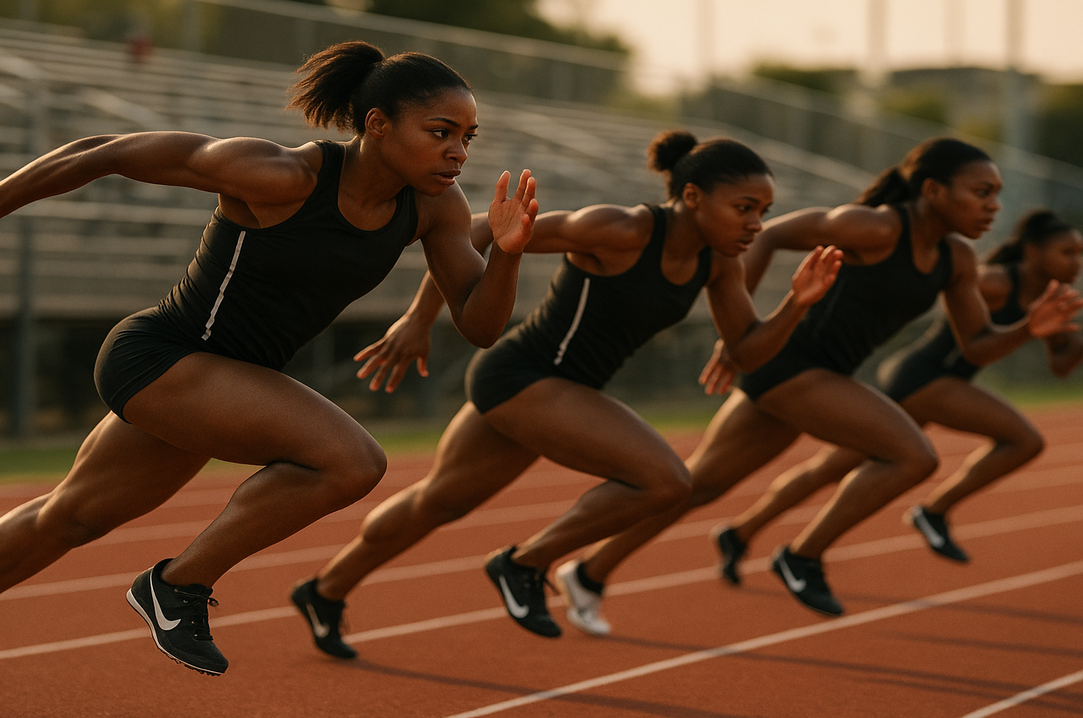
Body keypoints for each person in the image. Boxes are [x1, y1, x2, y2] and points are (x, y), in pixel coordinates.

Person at [0, 41, 539, 713]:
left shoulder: (435, 209)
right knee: (351, 461)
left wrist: (509, 255)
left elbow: (481, 325)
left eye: (467, 137)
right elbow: (107, 149)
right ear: (376, 125)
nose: (459, 151)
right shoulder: (280, 176)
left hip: (225, 385)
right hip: (164, 357)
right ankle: (179, 585)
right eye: (441, 133)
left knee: (70, 517)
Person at [288, 129, 843, 658]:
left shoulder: (718, 266)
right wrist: (419, 318)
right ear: (692, 197)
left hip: (560, 392)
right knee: (667, 480)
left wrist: (797, 304)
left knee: (441, 500)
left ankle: (325, 589)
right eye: (745, 207)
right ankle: (525, 563)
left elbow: (746, 352)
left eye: (763, 212)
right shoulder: (620, 230)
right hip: (524, 374)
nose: (756, 224)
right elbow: (482, 230)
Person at [557, 137, 1082, 627]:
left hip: (812, 375)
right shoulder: (876, 228)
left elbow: (978, 347)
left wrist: (1026, 329)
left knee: (698, 487)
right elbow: (775, 233)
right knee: (913, 456)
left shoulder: (956, 259)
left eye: (996, 195)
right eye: (982, 192)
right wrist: (739, 332)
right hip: (790, 361)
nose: (993, 206)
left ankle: (588, 572)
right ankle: (801, 554)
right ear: (933, 191)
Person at [713, 208, 1083, 576]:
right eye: (1067, 252)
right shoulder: (997, 282)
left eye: (1080, 254)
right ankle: (933, 509)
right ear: (1034, 252)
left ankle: (740, 531)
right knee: (1023, 439)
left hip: (942, 384)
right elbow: (959, 300)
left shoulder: (1053, 300)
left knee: (828, 469)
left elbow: (1061, 366)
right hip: (922, 377)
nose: (1076, 262)